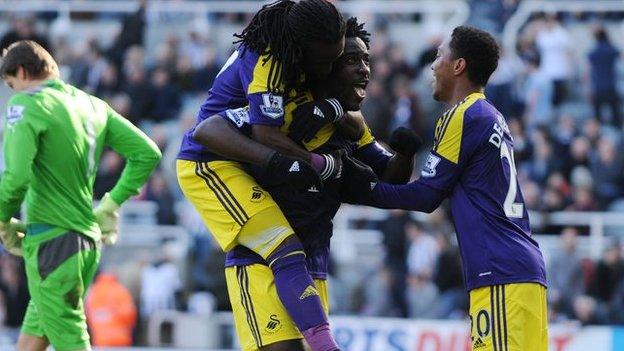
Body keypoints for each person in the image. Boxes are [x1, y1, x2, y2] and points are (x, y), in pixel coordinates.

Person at [192, 18, 419, 351]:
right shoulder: (277, 108)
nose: (365, 70)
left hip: (312, 263)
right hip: (260, 262)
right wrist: (298, 162)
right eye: (353, 60)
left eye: (367, 60)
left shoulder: (352, 125)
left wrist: (406, 153)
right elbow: (209, 130)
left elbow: (391, 176)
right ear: (326, 65)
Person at [342, 26, 548, 351]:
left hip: (501, 272)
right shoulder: (487, 114)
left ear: (458, 66)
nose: (433, 65)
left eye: (439, 55)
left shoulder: (464, 114)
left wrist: (356, 191)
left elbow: (426, 195)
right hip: (515, 269)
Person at [176, 1, 352, 349]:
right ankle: (325, 344)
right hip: (210, 163)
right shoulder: (269, 60)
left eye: (337, 57)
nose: (328, 66)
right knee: (284, 248)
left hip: (244, 160)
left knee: (289, 250)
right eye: (324, 58)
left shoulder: (296, 52)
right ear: (302, 46)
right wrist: (314, 164)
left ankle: (321, 341)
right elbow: (265, 135)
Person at [0, 40, 161, 351]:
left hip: (52, 243)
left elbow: (16, 177)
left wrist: (3, 218)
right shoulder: (92, 105)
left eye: (11, 85)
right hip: (84, 241)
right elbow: (147, 153)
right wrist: (112, 203)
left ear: (21, 72)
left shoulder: (27, 106)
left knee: (72, 342)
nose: (13, 93)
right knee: (31, 341)